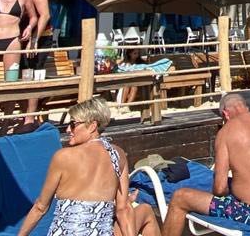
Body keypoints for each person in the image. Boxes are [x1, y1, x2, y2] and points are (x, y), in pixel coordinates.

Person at [18, 97, 158, 236]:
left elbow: (40, 207)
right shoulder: (118, 155)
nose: (68, 129)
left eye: (73, 124)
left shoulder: (64, 156)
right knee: (145, 210)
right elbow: (123, 210)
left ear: (92, 126)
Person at [161, 93, 250, 235]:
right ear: (245, 107)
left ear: (225, 114)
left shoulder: (226, 132)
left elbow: (220, 189)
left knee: (180, 197)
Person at [18, 0, 52, 130]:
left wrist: (34, 39)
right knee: (21, 76)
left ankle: (29, 118)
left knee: (30, 74)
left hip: (39, 36)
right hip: (22, 37)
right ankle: (26, 115)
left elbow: (44, 15)